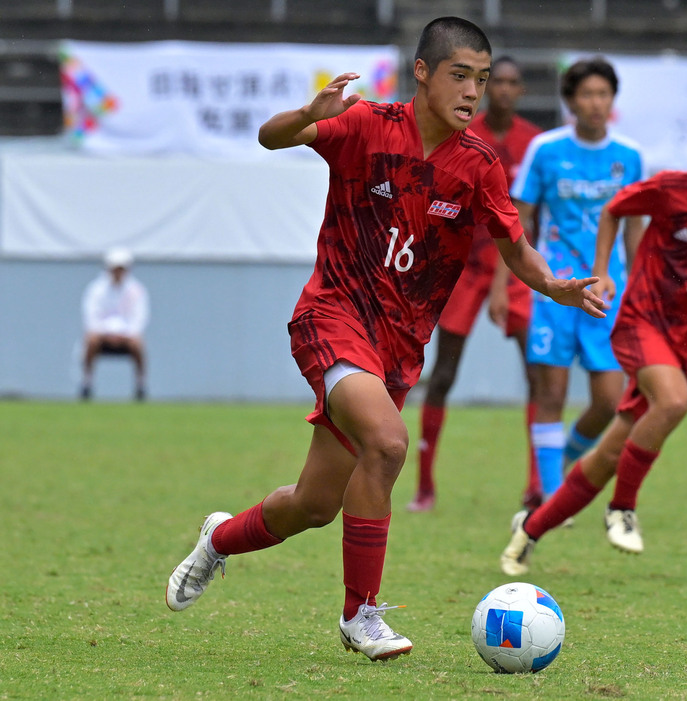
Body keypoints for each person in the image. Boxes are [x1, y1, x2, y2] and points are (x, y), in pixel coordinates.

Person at [165, 17, 607, 663]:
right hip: (332, 315)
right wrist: (304, 115)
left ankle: (219, 539)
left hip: (396, 351)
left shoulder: (479, 164)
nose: (472, 92)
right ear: (423, 72)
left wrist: (555, 285)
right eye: (461, 75)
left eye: (482, 80)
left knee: (314, 505)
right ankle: (359, 614)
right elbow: (268, 138)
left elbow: (517, 248)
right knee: (388, 440)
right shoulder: (366, 124)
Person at [500, 114, 687, 576]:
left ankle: (529, 530)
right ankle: (623, 508)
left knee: (611, 452)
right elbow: (616, 208)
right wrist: (605, 272)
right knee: (674, 402)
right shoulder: (673, 188)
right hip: (643, 319)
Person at [407, 56, 543, 513]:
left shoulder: (533, 142)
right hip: (465, 266)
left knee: (538, 375)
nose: (502, 89)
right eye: (495, 81)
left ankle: (536, 487)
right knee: (443, 375)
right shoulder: (463, 132)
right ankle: (425, 488)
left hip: (515, 267)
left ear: (520, 90)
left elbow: (528, 215)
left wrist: (512, 279)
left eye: (510, 82)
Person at [510, 57, 644, 505]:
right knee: (551, 393)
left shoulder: (629, 156)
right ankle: (550, 497)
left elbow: (634, 228)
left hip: (608, 294)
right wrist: (506, 285)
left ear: (613, 100)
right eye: (586, 94)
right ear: (570, 101)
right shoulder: (546, 150)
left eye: (603, 94)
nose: (596, 103)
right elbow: (517, 223)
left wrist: (640, 287)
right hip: (555, 292)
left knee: (609, 401)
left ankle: (562, 461)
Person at [79, 247, 149, 401]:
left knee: (138, 343)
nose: (118, 273)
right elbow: (91, 316)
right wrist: (105, 333)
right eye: (115, 269)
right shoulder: (96, 289)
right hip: (102, 335)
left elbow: (139, 318)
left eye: (121, 269)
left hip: (127, 336)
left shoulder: (136, 290)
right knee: (90, 340)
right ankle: (86, 384)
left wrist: (125, 334)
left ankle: (141, 386)